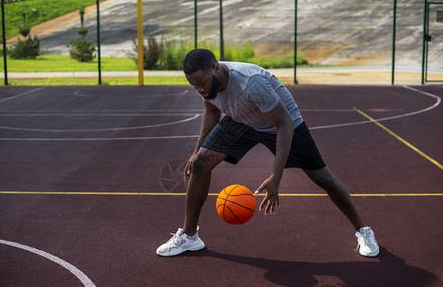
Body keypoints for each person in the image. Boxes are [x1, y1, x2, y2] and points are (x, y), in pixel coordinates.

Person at [156, 49, 379, 258]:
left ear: (215, 68)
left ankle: (364, 230)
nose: (200, 90)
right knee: (200, 163)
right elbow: (211, 111)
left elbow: (284, 125)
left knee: (323, 178)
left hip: (280, 124)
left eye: (202, 84)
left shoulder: (250, 82)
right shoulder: (206, 83)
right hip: (242, 120)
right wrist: (197, 151)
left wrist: (276, 177)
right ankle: (189, 236)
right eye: (194, 86)